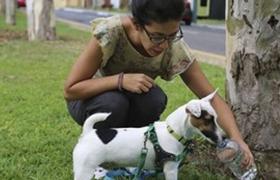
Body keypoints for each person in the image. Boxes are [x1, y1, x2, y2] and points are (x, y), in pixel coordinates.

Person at [64, 0, 254, 168]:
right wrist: (120, 80)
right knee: (114, 102)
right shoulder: (111, 32)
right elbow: (71, 89)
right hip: (89, 100)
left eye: (172, 35)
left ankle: (134, 152)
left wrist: (237, 139)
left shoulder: (174, 47)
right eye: (156, 36)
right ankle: (98, 154)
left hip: (130, 102)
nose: (164, 45)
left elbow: (211, 97)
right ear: (136, 24)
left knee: (154, 98)